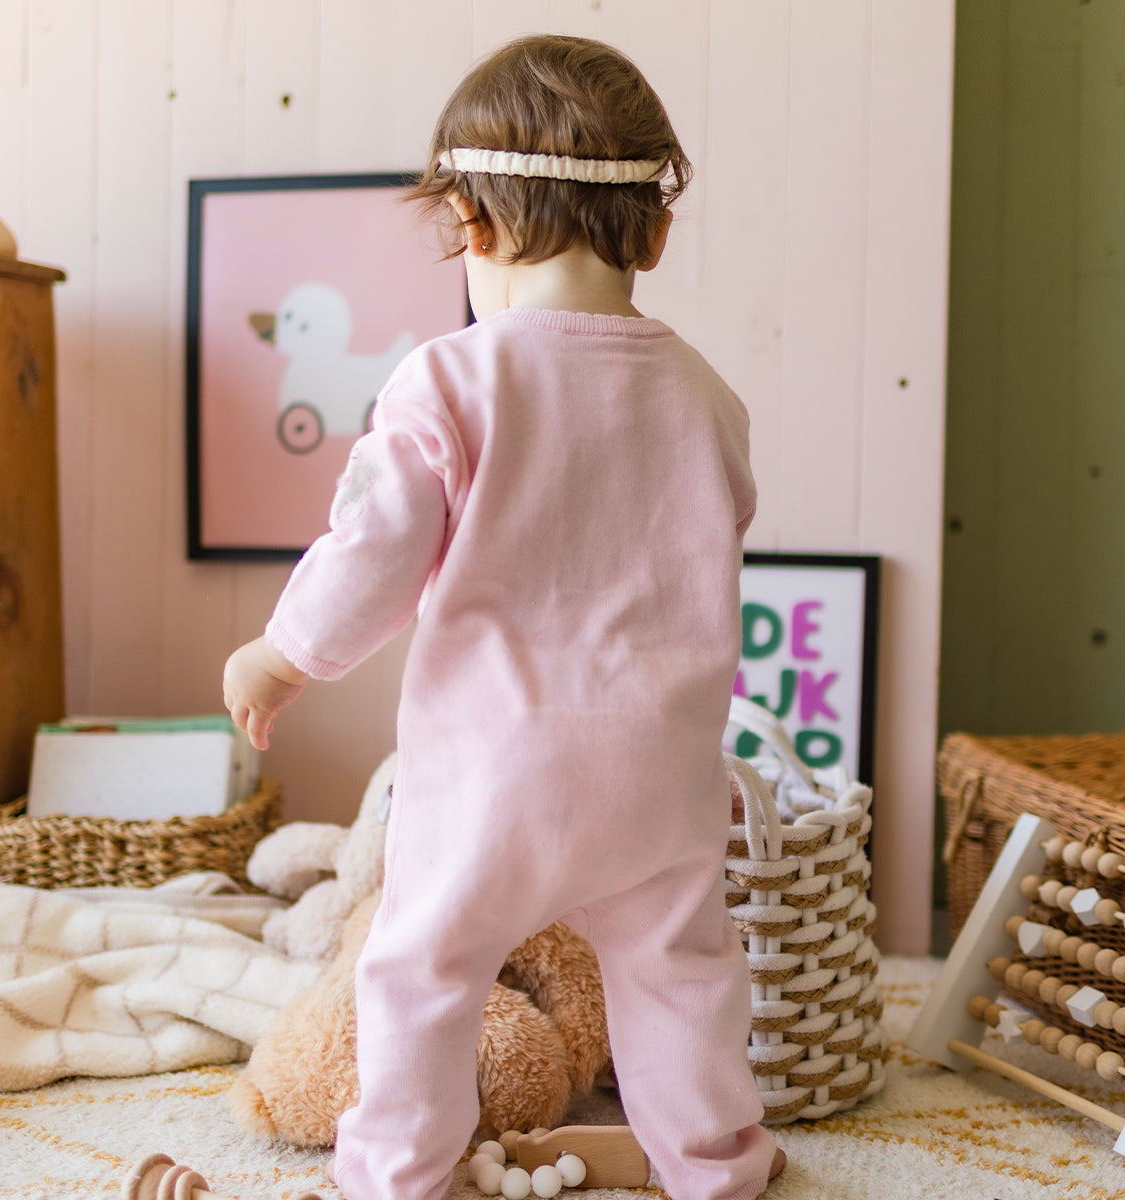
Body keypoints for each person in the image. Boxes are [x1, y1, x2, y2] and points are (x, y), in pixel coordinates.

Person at [223, 33, 785, 1200]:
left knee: (424, 966)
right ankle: (719, 1163)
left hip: (490, 778)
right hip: (658, 772)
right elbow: (713, 533)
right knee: (680, 974)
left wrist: (284, 654)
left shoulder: (448, 382)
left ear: (470, 226)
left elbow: (373, 551)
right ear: (657, 233)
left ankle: (395, 1173)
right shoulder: (705, 398)